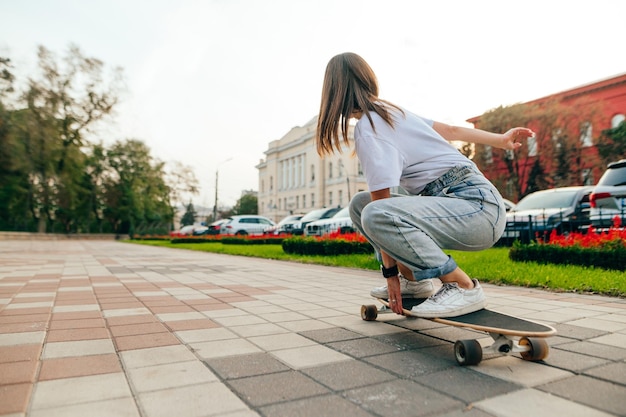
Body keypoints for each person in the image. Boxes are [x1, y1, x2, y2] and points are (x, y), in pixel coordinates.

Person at [316, 52, 534, 318]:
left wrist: (390, 275)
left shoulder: (368, 128)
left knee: (373, 211)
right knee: (360, 204)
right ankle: (416, 283)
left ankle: (462, 286)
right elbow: (452, 131)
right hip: (474, 203)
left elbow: (381, 206)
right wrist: (499, 140)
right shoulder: (394, 113)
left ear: (333, 93)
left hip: (476, 210)